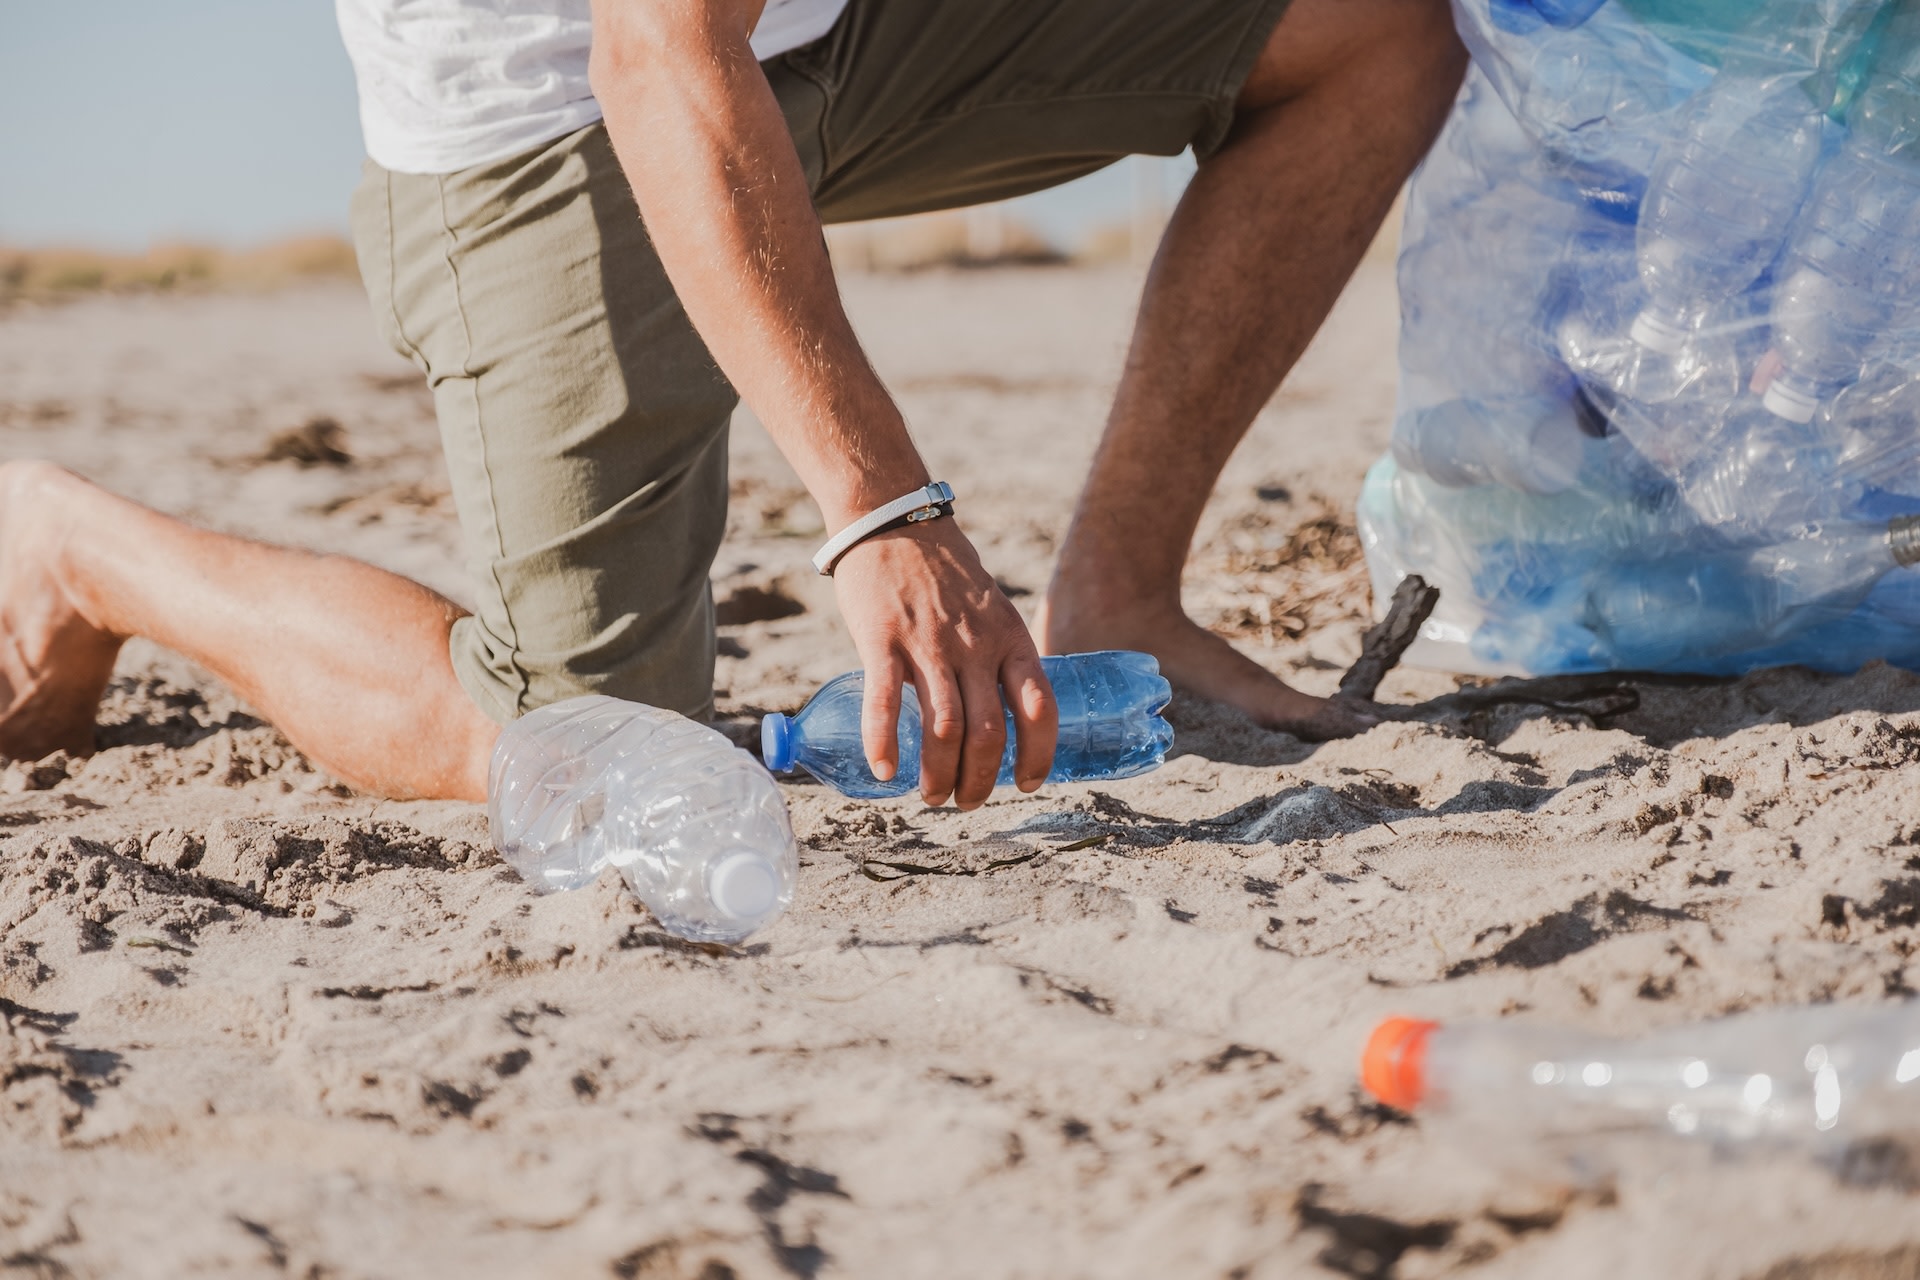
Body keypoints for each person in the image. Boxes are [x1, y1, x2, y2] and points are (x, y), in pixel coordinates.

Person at [0, 0, 1465, 811]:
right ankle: (85, 552)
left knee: (1370, 29)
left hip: (837, 27)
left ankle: (1122, 593)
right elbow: (657, 48)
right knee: (583, 747)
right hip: (555, 103)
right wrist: (884, 515)